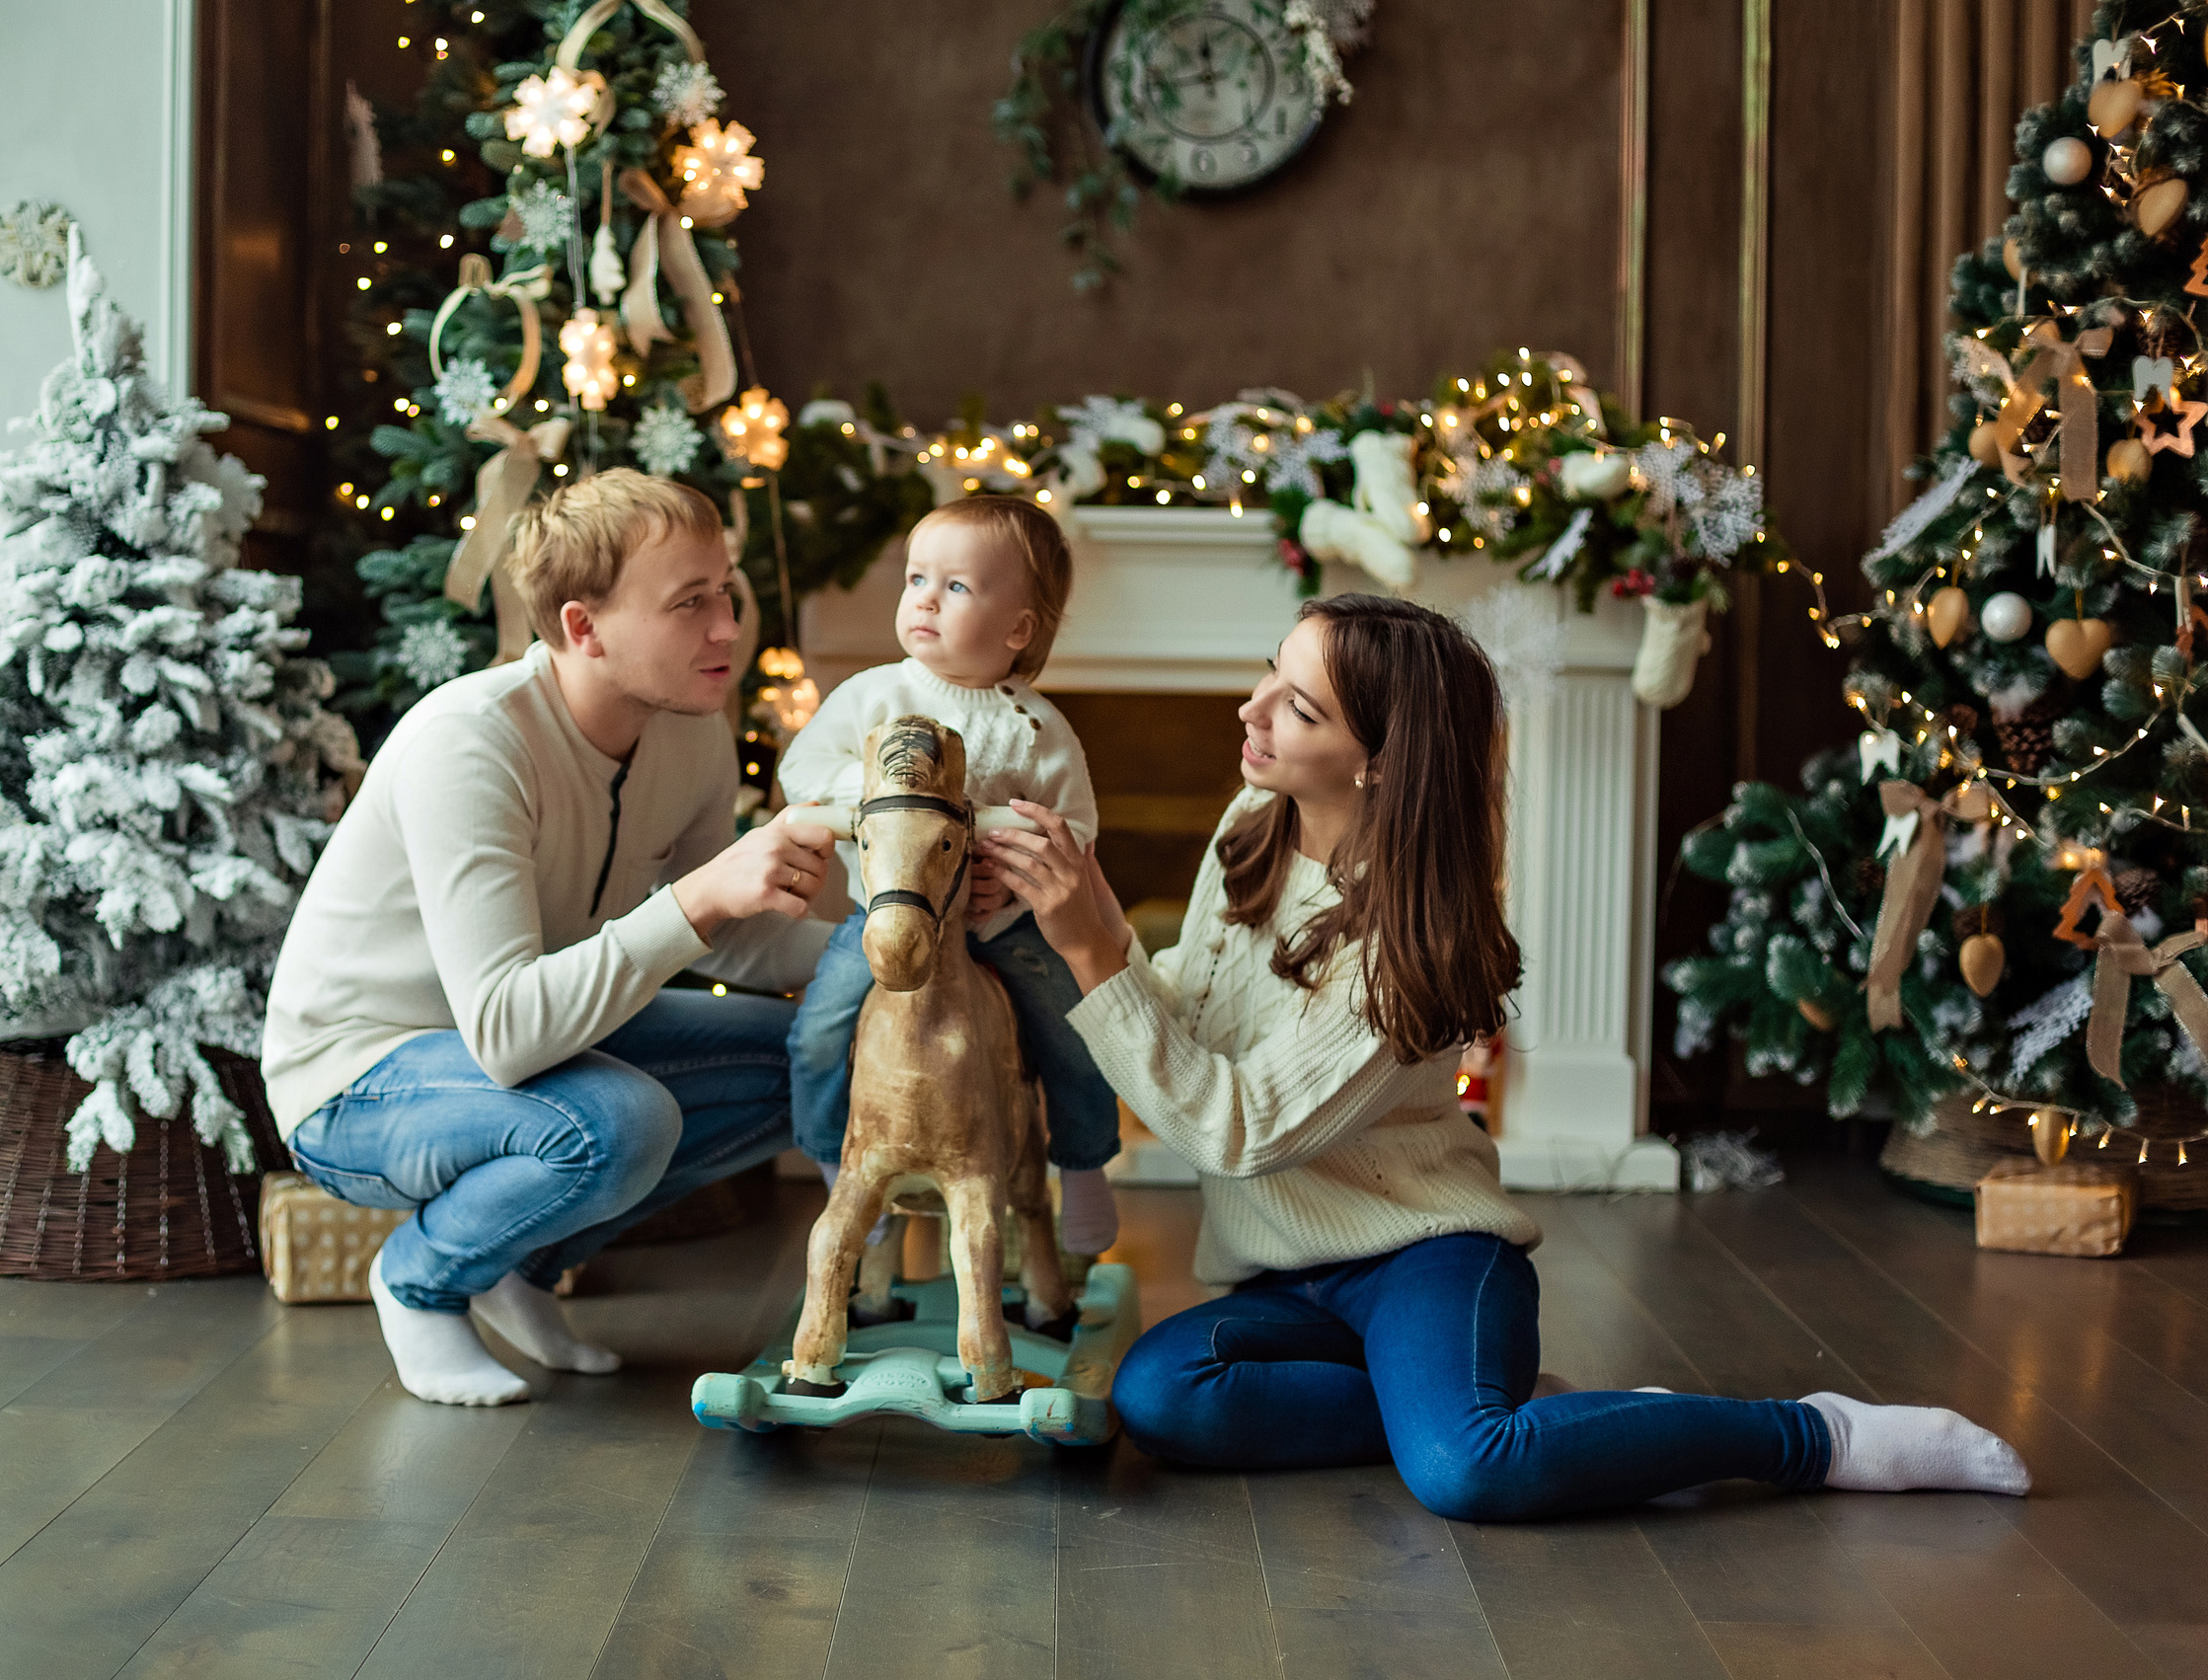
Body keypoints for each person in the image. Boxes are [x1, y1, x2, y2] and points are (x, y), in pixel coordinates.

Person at [979, 592, 2029, 1518]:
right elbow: (1192, 1012)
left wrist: (1084, 944)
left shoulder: (1418, 955)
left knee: (1468, 1472)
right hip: (1287, 1281)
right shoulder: (1256, 822)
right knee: (1160, 1398)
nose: (1250, 710)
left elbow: (1235, 1127)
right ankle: (1565, 1425)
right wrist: (1085, 924)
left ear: (1380, 759)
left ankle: (1812, 1435)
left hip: (1426, 1256)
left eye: (1298, 708)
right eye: (1271, 672)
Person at [263, 471, 836, 1408]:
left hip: (536, 1047)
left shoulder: (691, 727)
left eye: (723, 591)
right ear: (583, 627)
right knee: (623, 1121)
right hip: (356, 1079)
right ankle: (419, 1279)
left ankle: (519, 1269)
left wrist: (894, 945)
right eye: (689, 604)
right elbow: (507, 1030)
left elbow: (727, 943)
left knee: (813, 1060)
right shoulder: (473, 742)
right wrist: (698, 897)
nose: (727, 627)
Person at [777, 496, 1122, 1257]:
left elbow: (1076, 826)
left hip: (995, 923)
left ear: (1019, 629)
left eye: (956, 586)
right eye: (916, 578)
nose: (925, 598)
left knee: (1075, 1033)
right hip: (886, 916)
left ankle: (1085, 1165)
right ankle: (835, 1163)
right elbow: (802, 769)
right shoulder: (872, 696)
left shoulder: (1036, 728)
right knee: (818, 1032)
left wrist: (1016, 871)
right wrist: (878, 800)